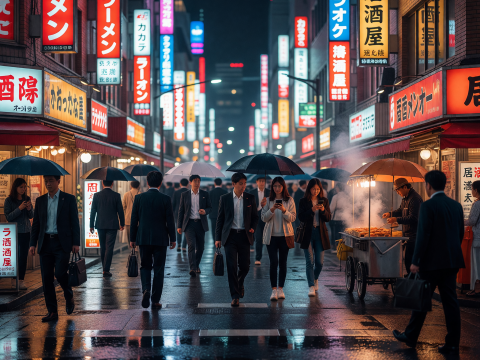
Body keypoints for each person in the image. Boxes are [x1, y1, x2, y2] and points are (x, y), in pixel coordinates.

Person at [393, 170, 465, 354]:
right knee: (451, 303)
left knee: (421, 299)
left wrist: (416, 261)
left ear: (428, 185)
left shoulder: (428, 205)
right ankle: (453, 343)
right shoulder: (456, 205)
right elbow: (459, 234)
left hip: (431, 262)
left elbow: (423, 235)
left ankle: (410, 336)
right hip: (451, 261)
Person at [29, 175, 80, 322]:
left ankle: (68, 294)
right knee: (46, 278)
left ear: (58, 181)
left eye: (51, 180)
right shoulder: (40, 200)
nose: (48, 183)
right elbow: (36, 224)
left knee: (60, 273)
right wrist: (33, 243)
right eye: (46, 181)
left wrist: (76, 243)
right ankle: (52, 311)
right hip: (45, 243)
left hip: (61, 243)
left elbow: (74, 222)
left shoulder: (68, 199)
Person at [130, 171, 176, 309]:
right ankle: (155, 300)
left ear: (148, 183)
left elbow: (134, 220)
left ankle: (146, 290)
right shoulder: (165, 199)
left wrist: (132, 238)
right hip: (161, 239)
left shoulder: (139, 198)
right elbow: (170, 220)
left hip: (143, 238)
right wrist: (173, 238)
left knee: (145, 266)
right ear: (161, 183)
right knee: (159, 269)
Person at [215, 172, 258, 307]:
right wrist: (218, 238)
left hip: (245, 236)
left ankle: (239, 284)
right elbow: (220, 219)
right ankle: (235, 295)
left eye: (245, 183)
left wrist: (252, 228)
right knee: (232, 266)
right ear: (233, 184)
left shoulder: (250, 198)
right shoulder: (225, 198)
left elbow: (255, 217)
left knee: (245, 266)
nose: (243, 186)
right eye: (241, 184)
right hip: (230, 236)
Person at [261, 177, 296, 301]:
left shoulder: (289, 200)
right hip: (271, 237)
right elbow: (263, 218)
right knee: (273, 262)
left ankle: (281, 288)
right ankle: (273, 290)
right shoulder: (267, 200)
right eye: (274, 186)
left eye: (279, 186)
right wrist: (271, 209)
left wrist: (284, 210)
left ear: (283, 187)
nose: (277, 188)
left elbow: (292, 218)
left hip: (285, 236)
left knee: (283, 263)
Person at [382, 178, 423, 274]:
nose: (397, 192)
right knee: (407, 261)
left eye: (397, 189)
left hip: (414, 236)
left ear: (405, 187)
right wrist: (390, 214)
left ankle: (414, 284)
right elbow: (401, 210)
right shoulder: (405, 198)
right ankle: (411, 281)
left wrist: (396, 220)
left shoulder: (415, 199)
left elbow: (413, 218)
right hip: (407, 235)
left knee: (411, 262)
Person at [298, 178, 331, 297]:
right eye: (313, 189)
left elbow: (328, 218)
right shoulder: (303, 201)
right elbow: (300, 217)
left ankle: (315, 278)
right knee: (309, 261)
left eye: (318, 189)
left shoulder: (325, 201)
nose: (316, 191)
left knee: (319, 263)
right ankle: (311, 286)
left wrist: (323, 211)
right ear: (309, 189)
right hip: (308, 233)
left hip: (320, 233)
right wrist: (311, 210)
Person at [177, 175, 212, 276]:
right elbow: (181, 211)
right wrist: (179, 226)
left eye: (198, 181)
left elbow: (210, 207)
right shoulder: (185, 195)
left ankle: (196, 265)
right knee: (191, 245)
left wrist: (205, 211)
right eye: (195, 181)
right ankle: (192, 268)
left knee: (200, 247)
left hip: (201, 223)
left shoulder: (205, 194)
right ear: (190, 182)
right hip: (189, 224)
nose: (197, 183)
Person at [90, 180, 125, 277]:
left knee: (103, 246)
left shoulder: (97, 195)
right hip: (112, 225)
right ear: (112, 183)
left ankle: (104, 267)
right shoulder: (116, 195)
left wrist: (91, 225)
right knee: (109, 247)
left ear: (102, 183)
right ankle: (106, 269)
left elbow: (93, 211)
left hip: (100, 224)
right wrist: (122, 223)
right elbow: (120, 211)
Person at [4, 178, 34, 290]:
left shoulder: (27, 198)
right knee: (14, 257)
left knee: (23, 257)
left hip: (26, 231)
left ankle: (21, 280)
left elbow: (31, 215)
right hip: (14, 232)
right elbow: (8, 217)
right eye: (21, 187)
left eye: (25, 187)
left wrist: (29, 208)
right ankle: (13, 279)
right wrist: (19, 208)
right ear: (15, 187)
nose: (23, 189)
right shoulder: (9, 200)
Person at [250, 176, 270, 265]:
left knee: (269, 238)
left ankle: (272, 257)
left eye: (264, 181)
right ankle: (258, 257)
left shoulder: (269, 192)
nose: (262, 183)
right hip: (257, 217)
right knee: (258, 238)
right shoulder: (252, 192)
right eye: (260, 181)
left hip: (267, 217)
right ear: (257, 182)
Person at [466, 180, 480, 297]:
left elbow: (472, 221)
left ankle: (477, 289)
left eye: (472, 189)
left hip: (477, 238)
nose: (471, 191)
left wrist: (460, 221)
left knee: (476, 263)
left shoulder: (477, 204)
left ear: (476, 190)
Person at [329, 182, 350, 250]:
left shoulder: (335, 197)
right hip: (345, 217)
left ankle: (337, 247)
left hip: (336, 218)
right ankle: (344, 246)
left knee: (336, 233)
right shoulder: (347, 196)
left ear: (337, 188)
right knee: (344, 233)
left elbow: (331, 208)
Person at [209, 178, 228, 246]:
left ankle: (215, 241)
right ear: (221, 183)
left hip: (213, 214)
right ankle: (222, 240)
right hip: (223, 214)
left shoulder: (210, 192)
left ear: (214, 183)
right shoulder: (225, 192)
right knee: (222, 228)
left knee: (214, 228)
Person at [172, 178, 189, 252]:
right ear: (188, 184)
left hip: (177, 214)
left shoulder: (176, 192)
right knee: (186, 230)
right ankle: (184, 246)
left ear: (180, 184)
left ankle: (179, 244)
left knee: (178, 229)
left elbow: (173, 204)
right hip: (187, 214)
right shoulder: (189, 192)